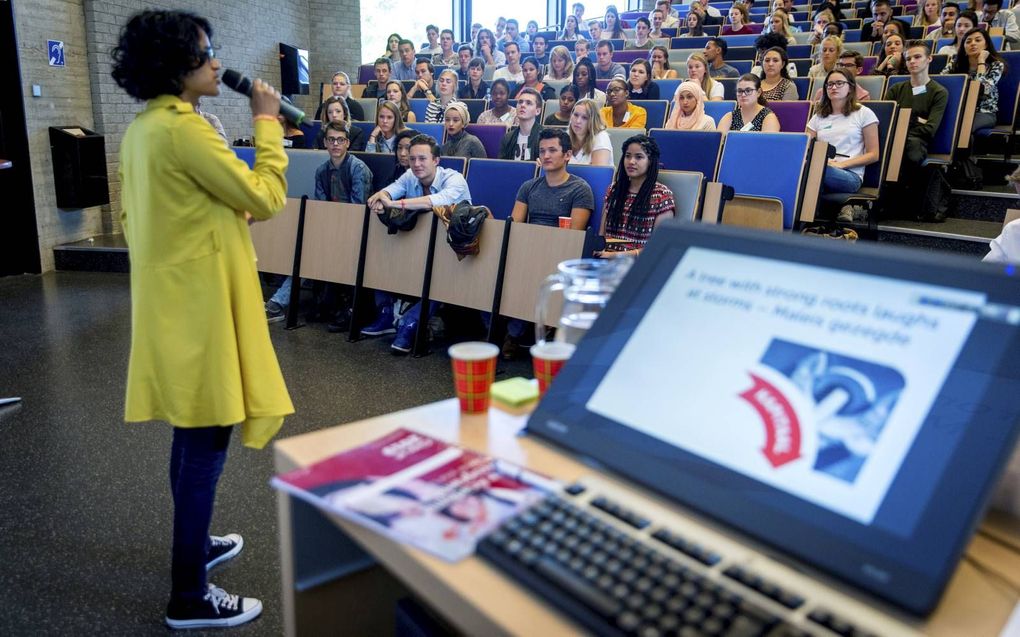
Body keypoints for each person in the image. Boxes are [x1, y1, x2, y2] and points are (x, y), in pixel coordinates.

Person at [111, 9, 290, 629]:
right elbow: (265, 197)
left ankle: (197, 542)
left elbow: (146, 220)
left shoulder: (142, 132)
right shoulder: (186, 131)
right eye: (207, 53)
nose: (217, 63)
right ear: (175, 65)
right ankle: (188, 596)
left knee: (190, 437)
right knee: (205, 443)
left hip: (172, 306)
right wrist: (267, 125)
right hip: (203, 311)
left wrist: (215, 218)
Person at [366, 135, 472, 353]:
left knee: (436, 275)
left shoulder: (454, 179)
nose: (416, 164)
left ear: (436, 160)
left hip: (453, 254)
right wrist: (379, 197)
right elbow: (391, 190)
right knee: (379, 251)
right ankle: (386, 315)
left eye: (422, 159)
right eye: (412, 159)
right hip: (416, 248)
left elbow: (436, 201)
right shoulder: (409, 176)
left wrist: (395, 203)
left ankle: (409, 323)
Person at [266, 120, 373, 326]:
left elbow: (356, 210)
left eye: (340, 140)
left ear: (347, 143)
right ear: (325, 142)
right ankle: (279, 301)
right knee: (303, 249)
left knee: (309, 254)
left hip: (356, 231)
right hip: (330, 229)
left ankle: (279, 302)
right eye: (331, 140)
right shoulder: (321, 171)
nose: (335, 144)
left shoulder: (357, 169)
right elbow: (322, 208)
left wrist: (332, 232)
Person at [806, 69, 880, 220]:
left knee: (815, 171)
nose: (833, 87)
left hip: (850, 175)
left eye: (839, 83)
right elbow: (806, 147)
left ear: (851, 87)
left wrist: (841, 165)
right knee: (808, 168)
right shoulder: (818, 116)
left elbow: (874, 154)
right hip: (822, 167)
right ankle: (813, 220)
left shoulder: (864, 113)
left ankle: (809, 221)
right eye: (830, 84)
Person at [884, 41, 948, 210]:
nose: (912, 61)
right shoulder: (896, 89)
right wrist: (917, 119)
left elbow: (930, 129)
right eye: (908, 58)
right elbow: (886, 121)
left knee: (909, 147)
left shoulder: (938, 92)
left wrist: (905, 118)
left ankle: (897, 201)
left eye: (917, 57)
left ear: (929, 59)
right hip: (892, 137)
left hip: (917, 141)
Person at [600, 135, 676, 257]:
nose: (631, 162)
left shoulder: (662, 196)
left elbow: (658, 248)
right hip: (607, 261)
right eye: (628, 156)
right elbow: (602, 237)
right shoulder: (613, 190)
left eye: (639, 157)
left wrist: (617, 255)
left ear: (650, 161)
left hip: (640, 264)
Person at [512, 126, 595, 229]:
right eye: (542, 151)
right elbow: (513, 228)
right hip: (528, 240)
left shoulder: (580, 189)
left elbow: (574, 236)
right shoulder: (528, 187)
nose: (546, 156)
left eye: (552, 150)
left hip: (560, 242)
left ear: (567, 155)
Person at [944, 28, 1006, 132]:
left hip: (983, 112)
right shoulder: (954, 64)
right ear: (964, 47)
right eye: (968, 41)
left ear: (986, 45)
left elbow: (981, 89)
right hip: (958, 110)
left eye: (978, 40)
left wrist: (981, 61)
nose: (973, 44)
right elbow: (944, 83)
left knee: (964, 129)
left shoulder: (996, 65)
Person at [499, 88, 544, 159]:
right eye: (520, 102)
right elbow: (501, 166)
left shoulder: (545, 137)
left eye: (528, 103)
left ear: (537, 111)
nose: (522, 105)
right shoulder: (507, 138)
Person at [568, 98, 612, 165]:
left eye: (585, 118)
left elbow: (598, 174)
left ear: (593, 121)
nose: (578, 121)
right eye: (576, 115)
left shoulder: (601, 138)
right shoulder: (566, 135)